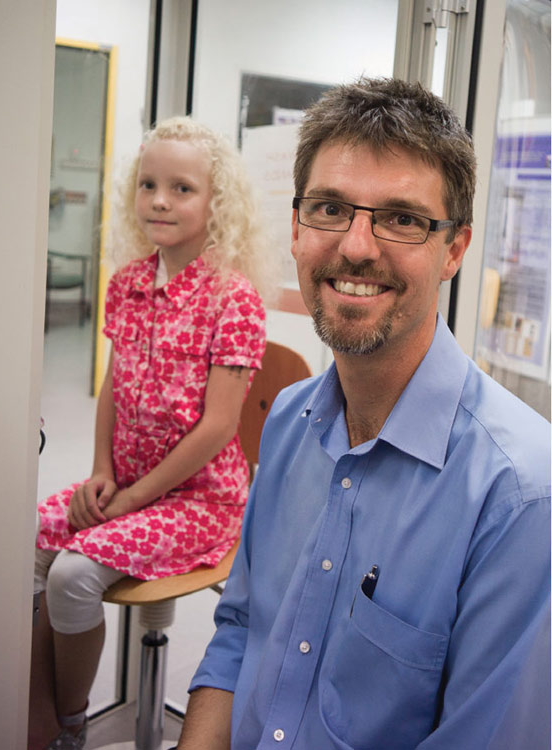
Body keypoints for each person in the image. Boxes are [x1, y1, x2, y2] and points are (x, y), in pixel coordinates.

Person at [179, 77, 551, 749]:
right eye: (330, 208)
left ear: (454, 250)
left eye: (402, 218)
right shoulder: (289, 422)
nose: (355, 247)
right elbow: (240, 634)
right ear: (297, 229)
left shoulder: (519, 494)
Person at [28, 116, 274, 750]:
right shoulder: (129, 284)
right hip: (127, 484)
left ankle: (69, 725)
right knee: (25, 541)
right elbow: (113, 387)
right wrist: (101, 472)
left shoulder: (234, 299)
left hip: (200, 502)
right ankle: (35, 713)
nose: (160, 200)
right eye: (148, 185)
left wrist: (134, 498)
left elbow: (218, 427)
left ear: (217, 203)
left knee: (71, 576)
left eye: (182, 188)